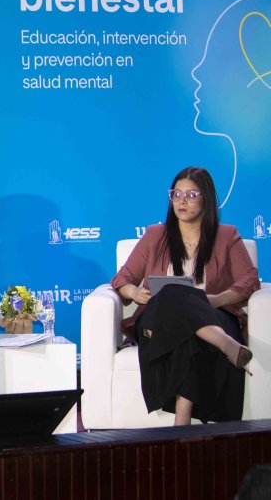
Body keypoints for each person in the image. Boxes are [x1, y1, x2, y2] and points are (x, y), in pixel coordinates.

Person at [111, 166, 259, 425]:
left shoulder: (226, 236)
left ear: (207, 199)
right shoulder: (155, 235)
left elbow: (249, 280)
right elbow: (122, 279)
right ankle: (226, 344)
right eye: (176, 194)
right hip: (160, 318)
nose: (182, 200)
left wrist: (215, 300)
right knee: (171, 292)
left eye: (191, 195)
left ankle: (182, 421)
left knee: (189, 333)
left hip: (211, 312)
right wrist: (134, 292)